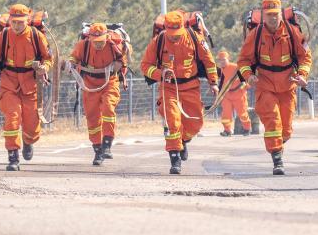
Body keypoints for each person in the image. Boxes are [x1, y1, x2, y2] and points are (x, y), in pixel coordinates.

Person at [237, 0, 312, 175]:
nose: (272, 18)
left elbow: (305, 57)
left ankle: (279, 143)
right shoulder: (255, 35)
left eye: (275, 14)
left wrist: (302, 75)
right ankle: (277, 160)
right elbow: (243, 60)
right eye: (269, 15)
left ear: (280, 14)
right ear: (263, 16)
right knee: (273, 122)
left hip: (288, 86)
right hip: (265, 85)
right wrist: (249, 76)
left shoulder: (292, 32)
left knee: (285, 130)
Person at [140, 10, 218, 174]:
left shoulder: (195, 38)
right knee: (172, 122)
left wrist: (214, 82)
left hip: (191, 86)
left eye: (177, 33)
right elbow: (145, 66)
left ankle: (184, 140)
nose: (174, 36)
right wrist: (160, 74)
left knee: (196, 123)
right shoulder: (158, 40)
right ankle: (175, 159)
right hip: (168, 88)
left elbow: (209, 61)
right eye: (171, 33)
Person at [0, 4, 53, 171]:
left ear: (27, 20)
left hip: (31, 85)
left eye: (20, 22)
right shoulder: (3, 37)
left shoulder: (37, 36)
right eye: (14, 22)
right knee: (12, 118)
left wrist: (44, 68)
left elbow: (49, 58)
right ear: (10, 20)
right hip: (9, 84)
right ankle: (13, 156)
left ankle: (28, 141)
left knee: (32, 127)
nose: (17, 25)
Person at [69, 22, 128, 166]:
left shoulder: (114, 46)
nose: (98, 45)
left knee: (108, 107)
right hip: (89, 85)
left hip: (110, 82)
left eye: (101, 42)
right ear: (89, 38)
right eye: (95, 42)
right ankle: (97, 150)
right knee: (92, 117)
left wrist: (118, 66)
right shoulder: (83, 46)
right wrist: (70, 65)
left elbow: (122, 61)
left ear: (106, 37)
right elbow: (73, 58)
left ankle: (107, 143)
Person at [214, 49, 252, 136]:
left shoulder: (235, 68)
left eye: (224, 59)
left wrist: (244, 87)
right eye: (220, 60)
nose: (222, 62)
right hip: (226, 96)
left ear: (228, 59)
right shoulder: (219, 70)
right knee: (226, 115)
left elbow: (245, 80)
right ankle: (227, 131)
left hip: (239, 95)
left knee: (242, 114)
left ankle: (247, 129)